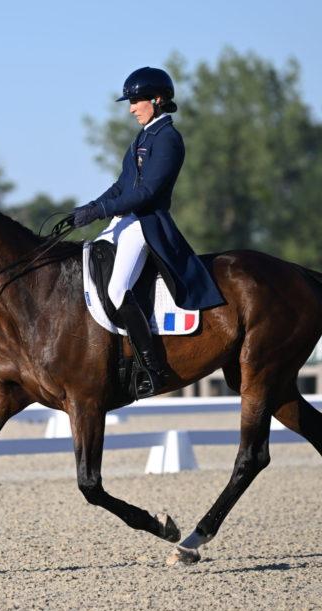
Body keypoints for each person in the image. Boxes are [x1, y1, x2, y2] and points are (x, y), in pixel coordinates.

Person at [71, 67, 224, 397]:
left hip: (146, 224)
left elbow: (147, 193)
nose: (131, 108)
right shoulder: (142, 137)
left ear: (158, 99)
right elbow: (121, 186)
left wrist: (101, 211)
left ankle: (151, 368)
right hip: (124, 222)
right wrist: (88, 209)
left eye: (136, 101)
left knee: (117, 290)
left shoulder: (168, 139)